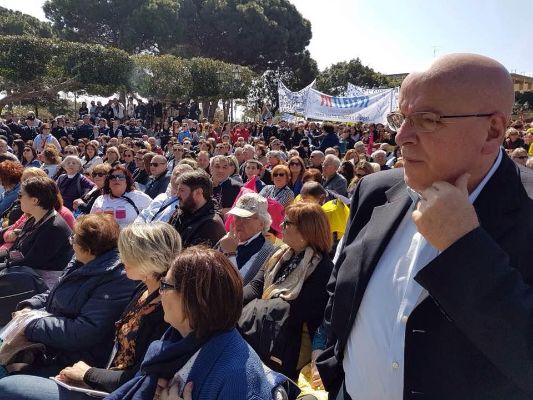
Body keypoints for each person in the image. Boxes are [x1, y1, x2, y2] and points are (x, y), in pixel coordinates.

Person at [317, 54, 533, 400]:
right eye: (401, 119)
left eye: (427, 120)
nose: (401, 136)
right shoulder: (374, 190)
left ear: (492, 131)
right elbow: (341, 285)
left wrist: (464, 247)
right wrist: (333, 367)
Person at [0, 222, 183, 400]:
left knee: (7, 387)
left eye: (129, 253)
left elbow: (140, 378)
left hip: (109, 387)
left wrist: (88, 374)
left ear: (150, 260)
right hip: (96, 374)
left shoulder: (165, 310)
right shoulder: (143, 290)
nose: (122, 258)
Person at [106, 246, 289, 400]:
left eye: (165, 285)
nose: (160, 293)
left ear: (193, 299)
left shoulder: (238, 380)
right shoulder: (175, 339)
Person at [0, 214, 136, 386]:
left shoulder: (116, 279)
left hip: (73, 362)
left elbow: (84, 332)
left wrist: (31, 325)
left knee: (6, 384)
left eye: (74, 238)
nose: (71, 242)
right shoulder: (81, 261)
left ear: (89, 248)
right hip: (48, 346)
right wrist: (30, 305)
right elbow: (55, 292)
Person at [243, 202, 333, 380]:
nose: (280, 226)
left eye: (286, 223)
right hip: (263, 327)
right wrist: (228, 301)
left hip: (289, 345)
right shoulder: (279, 254)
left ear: (306, 231)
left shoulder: (323, 268)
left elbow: (295, 311)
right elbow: (255, 286)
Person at [0, 177, 73, 276]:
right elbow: (14, 251)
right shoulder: (34, 218)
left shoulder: (53, 228)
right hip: (24, 272)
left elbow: (30, 262)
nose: (18, 199)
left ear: (35, 200)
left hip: (41, 279)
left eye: (20, 195)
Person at [217, 193, 277, 285]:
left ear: (261, 224)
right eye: (236, 216)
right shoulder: (228, 239)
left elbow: (239, 285)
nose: (238, 222)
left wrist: (230, 254)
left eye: (245, 218)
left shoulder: (265, 251)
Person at [169, 169, 226, 248]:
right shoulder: (180, 213)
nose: (177, 195)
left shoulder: (211, 225)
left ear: (198, 192)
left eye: (182, 190)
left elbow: (194, 255)